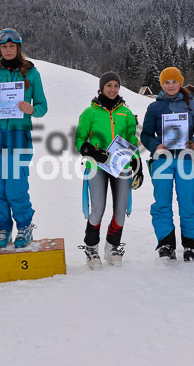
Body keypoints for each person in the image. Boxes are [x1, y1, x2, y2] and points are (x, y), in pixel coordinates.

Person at [0, 28, 48, 248]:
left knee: (16, 186)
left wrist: (30, 109)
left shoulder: (31, 73)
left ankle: (25, 227)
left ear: (18, 48)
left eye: (12, 46)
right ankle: (3, 228)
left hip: (19, 133)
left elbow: (42, 107)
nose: (8, 50)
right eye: (4, 46)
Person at [75, 71, 143, 269]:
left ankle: (112, 247)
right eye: (109, 86)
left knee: (120, 210)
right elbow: (80, 139)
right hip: (97, 166)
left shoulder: (126, 113)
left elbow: (132, 141)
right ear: (101, 88)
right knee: (97, 209)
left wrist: (137, 165)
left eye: (116, 86)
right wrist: (90, 152)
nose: (113, 89)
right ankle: (91, 248)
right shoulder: (90, 112)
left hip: (121, 166)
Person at [141, 67, 194, 262]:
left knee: (188, 203)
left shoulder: (191, 105)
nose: (171, 85)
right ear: (161, 85)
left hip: (186, 159)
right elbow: (146, 135)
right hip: (163, 160)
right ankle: (166, 243)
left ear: (181, 83)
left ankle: (190, 244)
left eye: (174, 81)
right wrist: (156, 145)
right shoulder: (154, 108)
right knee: (162, 202)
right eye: (166, 82)